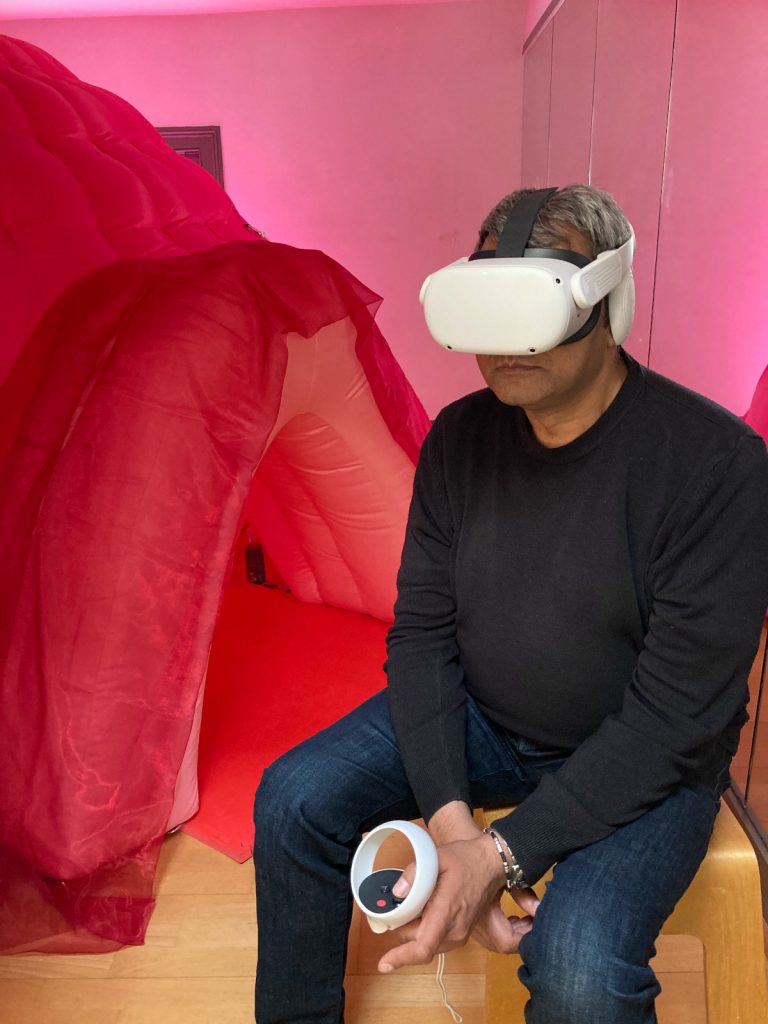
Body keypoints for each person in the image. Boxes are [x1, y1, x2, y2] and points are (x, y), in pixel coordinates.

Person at [253, 185, 768, 1024]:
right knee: (291, 800)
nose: (505, 347)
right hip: (489, 720)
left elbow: (679, 716)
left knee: (578, 964)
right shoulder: (459, 440)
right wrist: (455, 829)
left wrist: (503, 855)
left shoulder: (715, 467)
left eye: (531, 304)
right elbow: (420, 636)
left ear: (606, 304)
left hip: (649, 755)